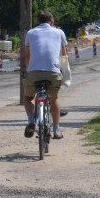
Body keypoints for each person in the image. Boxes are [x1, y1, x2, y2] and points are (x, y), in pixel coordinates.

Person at [23, 10, 68, 140]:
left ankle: (31, 121)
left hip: (33, 73)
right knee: (54, 99)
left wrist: (28, 70)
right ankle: (57, 130)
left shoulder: (30, 33)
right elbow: (65, 55)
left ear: (38, 22)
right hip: (53, 73)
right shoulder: (59, 33)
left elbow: (27, 55)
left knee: (27, 97)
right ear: (52, 22)